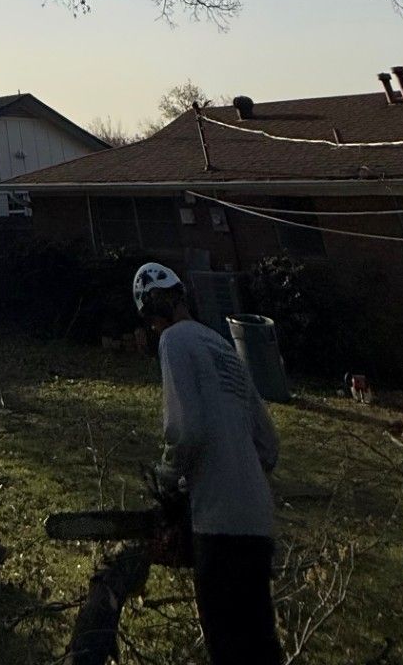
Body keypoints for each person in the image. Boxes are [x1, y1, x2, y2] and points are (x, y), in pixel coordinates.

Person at [133, 261, 282, 665]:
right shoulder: (222, 347)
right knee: (261, 644)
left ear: (150, 315)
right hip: (257, 520)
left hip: (218, 525)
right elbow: (268, 446)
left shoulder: (175, 342)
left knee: (227, 645)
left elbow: (186, 431)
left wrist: (168, 477)